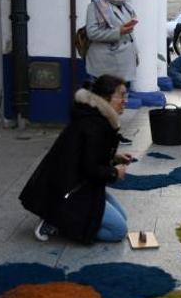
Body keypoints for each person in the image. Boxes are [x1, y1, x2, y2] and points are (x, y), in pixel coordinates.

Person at [20, 75, 134, 244]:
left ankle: (66, 217)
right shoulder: (94, 125)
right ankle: (58, 221)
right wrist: (114, 172)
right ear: (105, 97)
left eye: (126, 95)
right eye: (121, 95)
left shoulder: (95, 117)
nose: (125, 101)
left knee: (122, 217)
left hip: (78, 184)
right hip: (72, 190)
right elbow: (90, 169)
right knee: (119, 231)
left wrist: (115, 157)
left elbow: (86, 154)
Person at [85, 0, 138, 144]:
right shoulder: (96, 6)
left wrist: (135, 52)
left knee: (120, 101)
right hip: (106, 62)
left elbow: (128, 33)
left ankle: (114, 132)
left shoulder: (122, 5)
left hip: (124, 60)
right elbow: (92, 33)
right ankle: (104, 134)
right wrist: (119, 31)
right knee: (106, 101)